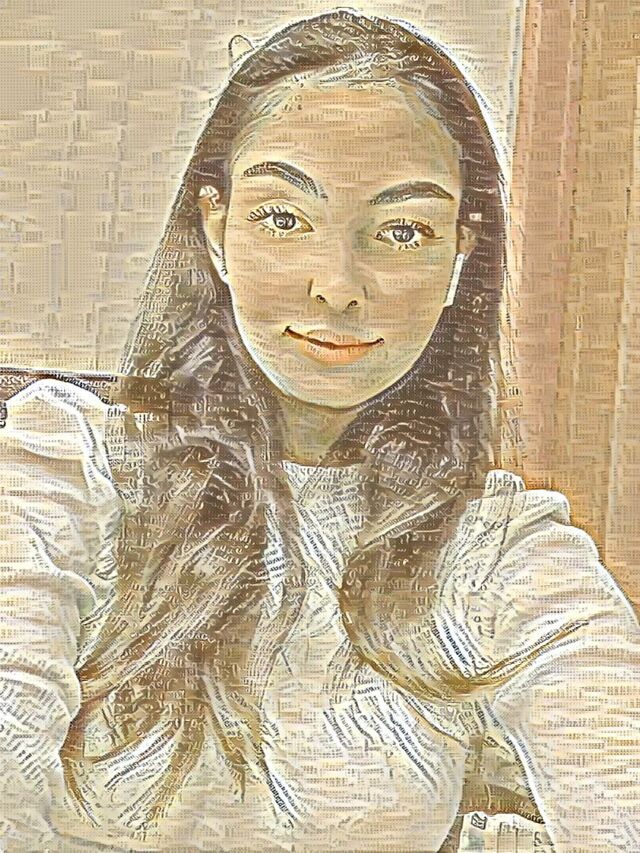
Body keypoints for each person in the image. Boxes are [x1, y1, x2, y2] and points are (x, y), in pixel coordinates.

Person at [0, 9, 639, 852]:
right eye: (284, 217)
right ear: (216, 230)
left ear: (459, 256)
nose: (337, 285)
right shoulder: (70, 464)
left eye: (402, 231)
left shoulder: (503, 550)